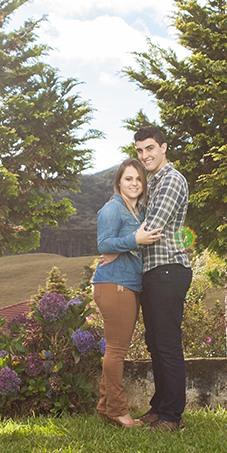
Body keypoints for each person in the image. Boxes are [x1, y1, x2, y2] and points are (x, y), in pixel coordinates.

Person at [91, 158, 161, 428]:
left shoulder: (138, 213)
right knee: (117, 350)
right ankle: (119, 411)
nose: (134, 183)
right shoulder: (113, 209)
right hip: (114, 284)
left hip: (128, 285)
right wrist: (134, 240)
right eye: (128, 178)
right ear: (119, 182)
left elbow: (121, 246)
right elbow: (104, 243)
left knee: (117, 348)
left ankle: (105, 407)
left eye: (138, 179)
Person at [133, 125, 191, 431]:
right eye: (140, 150)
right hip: (153, 272)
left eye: (150, 148)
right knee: (155, 344)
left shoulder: (170, 180)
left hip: (168, 269)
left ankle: (172, 416)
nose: (145, 155)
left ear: (164, 147)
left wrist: (116, 244)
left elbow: (151, 228)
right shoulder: (153, 182)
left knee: (167, 345)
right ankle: (159, 407)